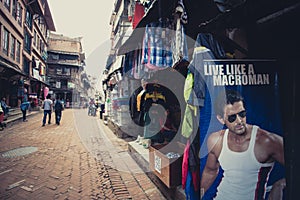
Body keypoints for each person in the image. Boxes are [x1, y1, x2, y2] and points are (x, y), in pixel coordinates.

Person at [200, 89, 285, 200]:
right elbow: (210, 171)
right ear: (221, 119)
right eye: (232, 118)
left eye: (242, 114)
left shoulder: (266, 141)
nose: (239, 121)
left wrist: (280, 184)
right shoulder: (216, 140)